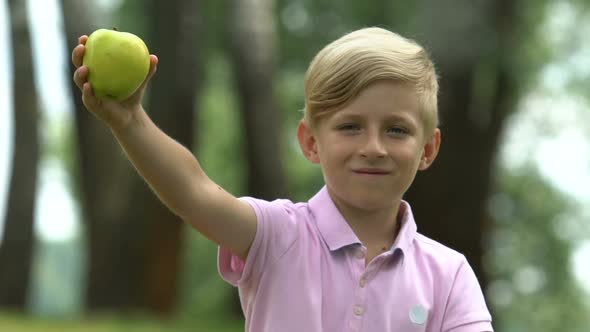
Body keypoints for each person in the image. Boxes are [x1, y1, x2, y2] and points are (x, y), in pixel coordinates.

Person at [72, 27, 493, 331]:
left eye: (396, 130)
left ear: (429, 149)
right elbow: (195, 190)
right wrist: (131, 122)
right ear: (310, 142)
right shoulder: (276, 235)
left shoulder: (448, 275)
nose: (374, 147)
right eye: (350, 127)